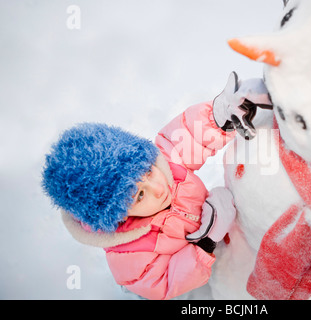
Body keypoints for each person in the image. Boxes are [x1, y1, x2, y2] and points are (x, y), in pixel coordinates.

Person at [41, 72, 272, 299]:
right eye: (140, 195)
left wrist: (220, 115)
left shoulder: (164, 164)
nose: (159, 187)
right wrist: (206, 241)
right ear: (119, 215)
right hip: (175, 279)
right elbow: (164, 284)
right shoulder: (129, 254)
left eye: (148, 172)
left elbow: (191, 134)